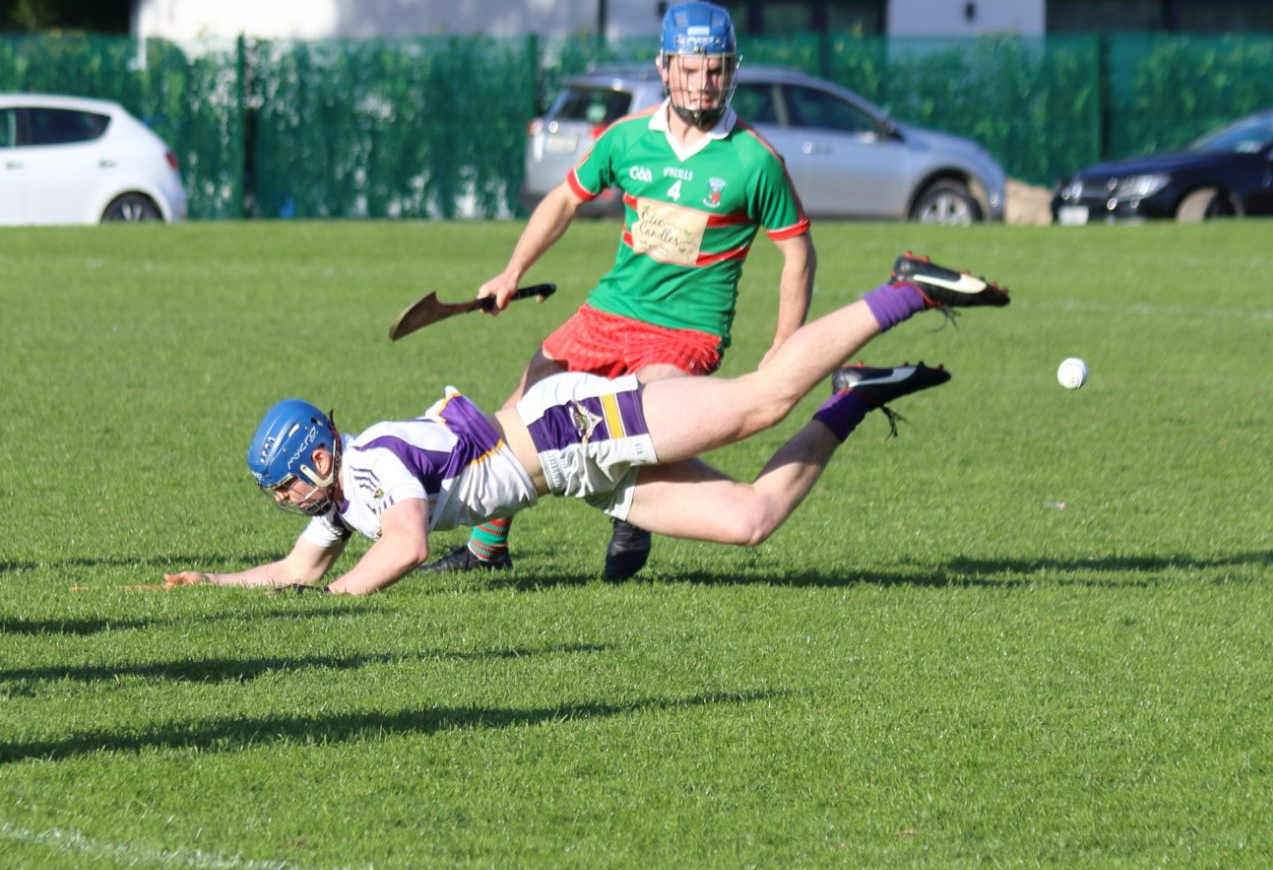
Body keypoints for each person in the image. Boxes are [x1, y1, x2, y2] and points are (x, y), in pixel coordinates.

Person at [163, 255, 1008, 596]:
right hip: (571, 474)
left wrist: (346, 596)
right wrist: (219, 585)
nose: (285, 498)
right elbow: (294, 573)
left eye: (288, 480)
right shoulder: (337, 499)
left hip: (567, 430)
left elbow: (407, 546)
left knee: (759, 400)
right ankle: (856, 395)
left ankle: (908, 289)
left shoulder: (373, 468)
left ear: (321, 454)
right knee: (751, 520)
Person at [423, 0, 817, 582]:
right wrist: (510, 272)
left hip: (687, 333)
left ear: (732, 71)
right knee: (517, 412)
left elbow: (798, 254)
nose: (703, 83)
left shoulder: (755, 162)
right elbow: (562, 201)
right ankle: (487, 549)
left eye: (716, 70)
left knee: (637, 422)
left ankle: (634, 519)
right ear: (664, 68)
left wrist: (785, 343)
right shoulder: (626, 139)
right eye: (690, 68)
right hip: (607, 313)